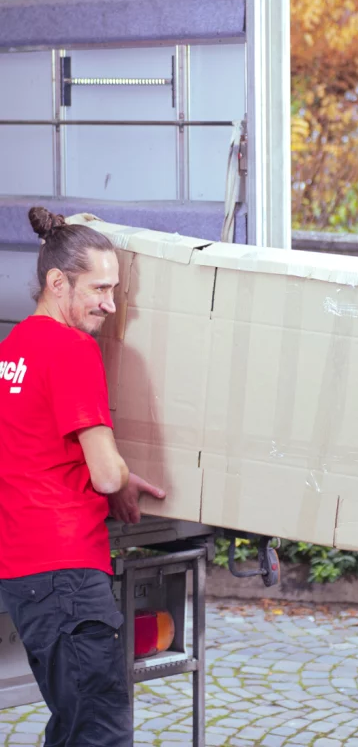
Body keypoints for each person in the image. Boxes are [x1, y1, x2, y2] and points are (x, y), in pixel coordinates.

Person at [0, 207, 165, 747]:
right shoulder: (72, 349)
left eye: (115, 289)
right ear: (56, 282)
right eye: (98, 288)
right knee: (98, 731)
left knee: (72, 725)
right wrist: (121, 476)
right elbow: (105, 472)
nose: (110, 304)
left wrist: (113, 476)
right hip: (67, 571)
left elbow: (39, 450)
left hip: (25, 570)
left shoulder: (13, 350)